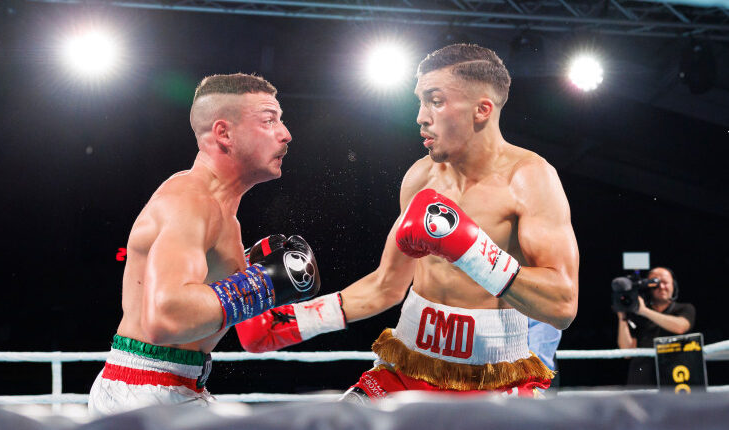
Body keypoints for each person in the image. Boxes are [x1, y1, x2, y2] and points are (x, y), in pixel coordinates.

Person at [235, 43, 579, 400]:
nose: (421, 116)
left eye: (435, 100)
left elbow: (562, 305)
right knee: (338, 423)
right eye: (420, 101)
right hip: (408, 365)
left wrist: (473, 251)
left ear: (482, 110)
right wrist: (293, 321)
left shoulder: (530, 179)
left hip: (495, 377)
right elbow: (386, 286)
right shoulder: (421, 177)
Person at [88, 73, 323, 416]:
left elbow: (237, 323)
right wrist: (261, 283)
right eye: (269, 120)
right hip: (147, 394)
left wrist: (255, 278)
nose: (285, 134)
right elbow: (165, 318)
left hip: (171, 385)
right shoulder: (191, 200)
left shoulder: (223, 215)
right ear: (224, 134)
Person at [616, 266, 695, 386]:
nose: (661, 287)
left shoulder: (685, 308)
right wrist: (622, 317)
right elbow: (627, 352)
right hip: (642, 380)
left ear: (673, 285)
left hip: (675, 380)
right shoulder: (638, 315)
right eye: (656, 283)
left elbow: (680, 327)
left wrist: (644, 311)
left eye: (665, 282)